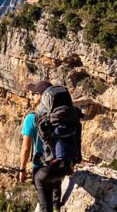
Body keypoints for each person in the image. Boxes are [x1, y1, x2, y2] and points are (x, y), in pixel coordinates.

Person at [18, 80, 72, 212]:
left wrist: (22, 170)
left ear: (41, 96)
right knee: (55, 195)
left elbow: (26, 148)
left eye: (34, 93)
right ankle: (57, 207)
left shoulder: (32, 118)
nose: (32, 96)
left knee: (44, 207)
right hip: (63, 165)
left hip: (43, 168)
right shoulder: (62, 115)